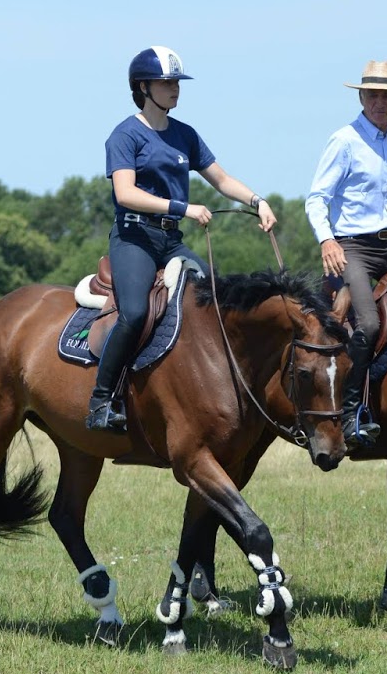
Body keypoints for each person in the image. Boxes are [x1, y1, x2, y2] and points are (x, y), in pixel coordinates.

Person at [87, 45, 277, 432]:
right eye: (166, 82)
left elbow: (221, 180)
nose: (175, 89)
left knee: (218, 302)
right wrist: (183, 208)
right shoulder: (124, 135)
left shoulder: (185, 135)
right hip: (134, 238)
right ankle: (101, 401)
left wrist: (257, 201)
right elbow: (125, 194)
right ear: (143, 86)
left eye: (177, 82)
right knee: (136, 313)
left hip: (170, 241)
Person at [305, 60, 387, 448]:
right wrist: (327, 241)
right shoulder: (344, 140)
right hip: (352, 247)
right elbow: (316, 199)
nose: (379, 101)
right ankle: (354, 412)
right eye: (373, 94)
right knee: (369, 325)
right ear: (361, 96)